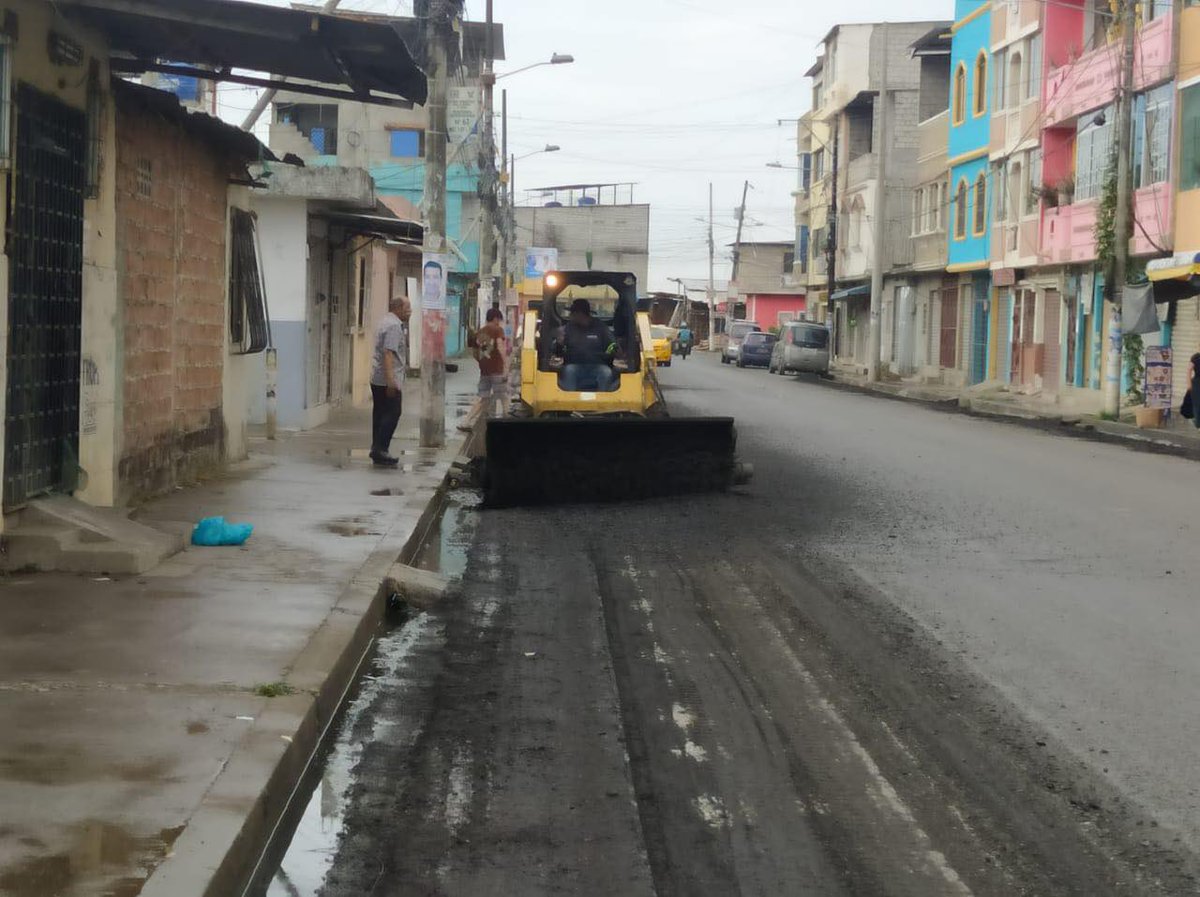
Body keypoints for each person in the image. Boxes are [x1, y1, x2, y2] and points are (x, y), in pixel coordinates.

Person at [369, 296, 411, 466]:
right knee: (393, 413)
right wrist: (391, 381)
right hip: (387, 378)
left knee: (379, 414)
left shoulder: (384, 321)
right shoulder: (394, 326)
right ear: (399, 308)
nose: (410, 312)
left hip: (377, 377)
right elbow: (388, 353)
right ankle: (381, 448)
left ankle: (376, 448)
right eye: (408, 308)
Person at [459, 308, 510, 430]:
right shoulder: (498, 330)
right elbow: (500, 347)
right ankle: (508, 421)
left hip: (485, 371)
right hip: (497, 369)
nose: (499, 322)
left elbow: (475, 353)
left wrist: (482, 362)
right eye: (499, 319)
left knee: (483, 398)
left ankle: (466, 422)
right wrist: (506, 365)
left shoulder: (480, 332)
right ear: (495, 318)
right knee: (504, 396)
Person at [555, 298, 617, 391]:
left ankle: (602, 402)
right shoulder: (568, 329)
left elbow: (612, 345)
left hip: (598, 366)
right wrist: (559, 343)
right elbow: (558, 353)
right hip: (574, 366)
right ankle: (570, 401)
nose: (570, 316)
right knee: (568, 371)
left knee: (606, 372)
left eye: (572, 313)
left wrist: (606, 357)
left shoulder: (600, 327)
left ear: (580, 314)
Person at [1184, 353, 1200, 428]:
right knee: (1197, 404)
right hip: (1197, 383)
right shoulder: (1196, 357)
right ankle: (1197, 424)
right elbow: (1189, 370)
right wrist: (1189, 383)